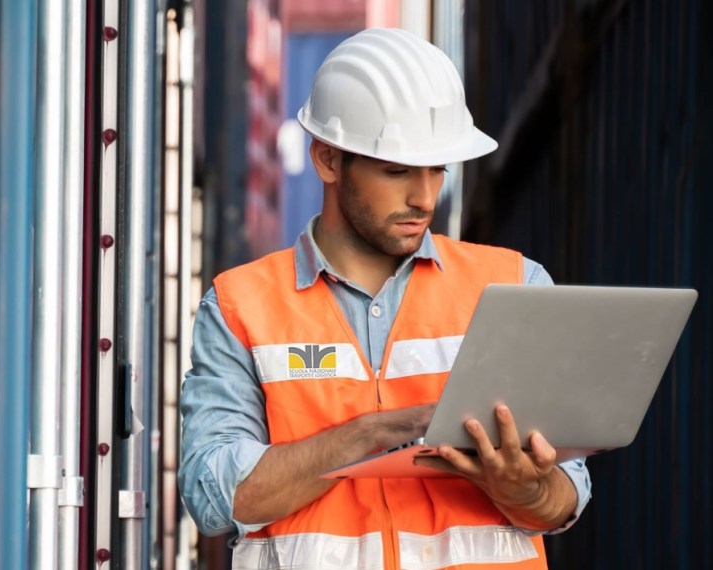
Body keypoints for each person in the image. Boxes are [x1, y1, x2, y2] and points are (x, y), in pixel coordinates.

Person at [179, 28, 591, 569]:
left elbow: (566, 496)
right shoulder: (241, 307)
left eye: (436, 169)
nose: (424, 196)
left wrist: (527, 492)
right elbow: (215, 500)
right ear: (327, 160)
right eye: (397, 171)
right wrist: (373, 431)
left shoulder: (514, 285)